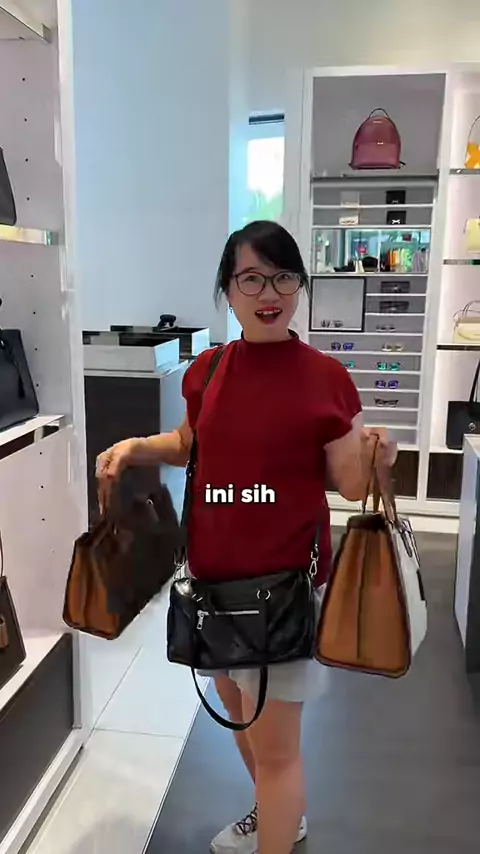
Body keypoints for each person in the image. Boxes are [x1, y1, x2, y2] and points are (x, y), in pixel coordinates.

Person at [96, 220, 396, 854]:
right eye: (252, 279)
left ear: (300, 286)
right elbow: (189, 443)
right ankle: (277, 814)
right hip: (213, 584)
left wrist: (376, 458)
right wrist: (135, 446)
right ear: (228, 291)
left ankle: (278, 820)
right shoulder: (208, 371)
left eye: (283, 277)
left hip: (283, 589)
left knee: (278, 749)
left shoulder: (325, 377)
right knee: (237, 709)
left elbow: (348, 484)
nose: (269, 293)